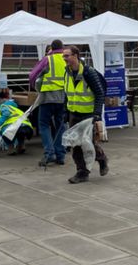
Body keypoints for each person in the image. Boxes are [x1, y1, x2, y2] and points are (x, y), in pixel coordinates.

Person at [62, 45, 109, 184]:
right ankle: (82, 172)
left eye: (67, 56)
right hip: (73, 113)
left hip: (88, 115)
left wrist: (97, 114)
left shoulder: (89, 72)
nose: (64, 59)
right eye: (63, 56)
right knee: (75, 144)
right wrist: (65, 111)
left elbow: (100, 93)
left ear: (75, 56)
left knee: (87, 143)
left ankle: (101, 158)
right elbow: (67, 93)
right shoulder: (67, 72)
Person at [29, 39, 67, 167]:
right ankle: (60, 155)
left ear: (51, 48)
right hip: (63, 97)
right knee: (60, 126)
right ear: (62, 47)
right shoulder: (67, 58)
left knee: (44, 125)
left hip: (47, 97)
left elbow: (33, 74)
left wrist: (36, 86)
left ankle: (49, 154)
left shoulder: (47, 59)